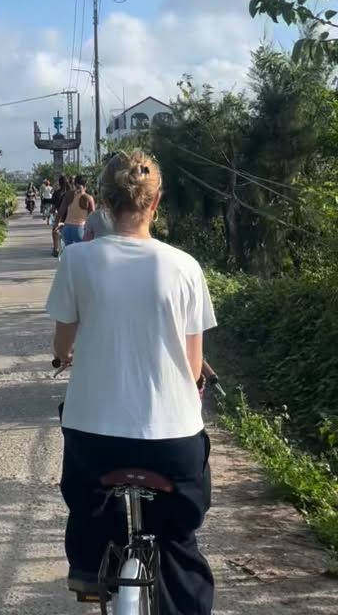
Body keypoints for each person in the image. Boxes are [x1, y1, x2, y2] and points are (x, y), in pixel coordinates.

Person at [46, 150, 216, 613]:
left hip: (95, 440)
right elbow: (194, 368)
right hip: (173, 442)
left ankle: (89, 568)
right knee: (177, 538)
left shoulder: (77, 260)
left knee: (89, 505)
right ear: (156, 201)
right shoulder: (185, 266)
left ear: (103, 201)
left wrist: (65, 355)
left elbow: (63, 343)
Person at [54, 174, 95, 248]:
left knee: (69, 251)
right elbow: (93, 217)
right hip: (80, 229)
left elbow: (60, 212)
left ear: (75, 183)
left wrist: (56, 225)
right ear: (86, 184)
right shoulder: (89, 198)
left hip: (67, 228)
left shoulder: (68, 195)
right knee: (81, 252)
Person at [49, 176, 70, 258]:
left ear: (59, 183)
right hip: (71, 216)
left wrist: (51, 211)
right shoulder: (71, 193)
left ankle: (55, 249)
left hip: (60, 216)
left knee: (55, 230)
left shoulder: (56, 193)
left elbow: (53, 208)